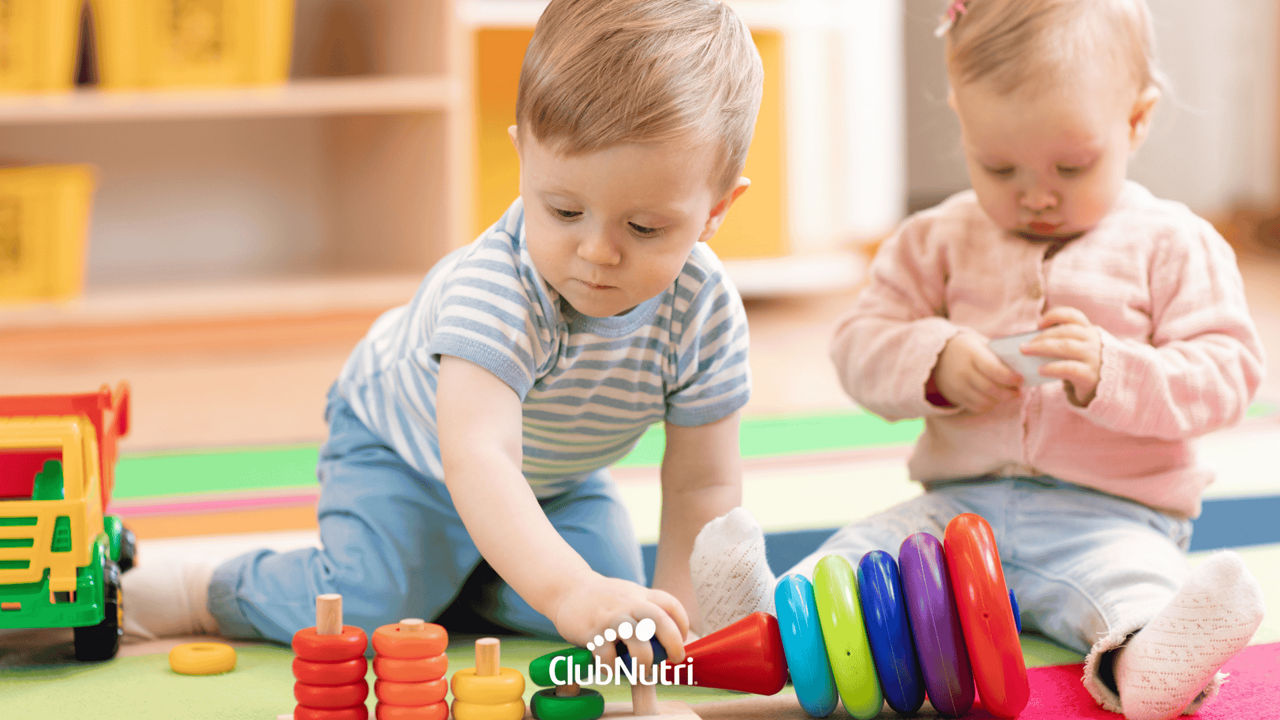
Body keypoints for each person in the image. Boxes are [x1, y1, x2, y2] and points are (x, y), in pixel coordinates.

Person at [125, 0, 763, 666]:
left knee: (612, 613)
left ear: (716, 211)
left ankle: (461, 578)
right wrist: (570, 589)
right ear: (523, 157)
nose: (597, 253)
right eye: (564, 209)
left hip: (555, 480)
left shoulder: (705, 309)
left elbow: (702, 487)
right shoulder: (498, 291)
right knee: (370, 608)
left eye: (644, 228)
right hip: (408, 454)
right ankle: (206, 589)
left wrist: (678, 631)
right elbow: (478, 457)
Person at [691, 1, 1265, 718]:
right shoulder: (934, 239)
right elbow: (858, 348)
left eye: (1072, 164)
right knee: (857, 563)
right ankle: (764, 624)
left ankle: (1151, 663)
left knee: (1138, 588)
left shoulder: (1174, 244)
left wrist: (1114, 373)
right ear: (962, 121)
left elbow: (1229, 374)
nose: (1036, 194)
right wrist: (933, 361)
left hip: (1113, 518)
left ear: (1137, 121)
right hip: (952, 513)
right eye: (998, 166)